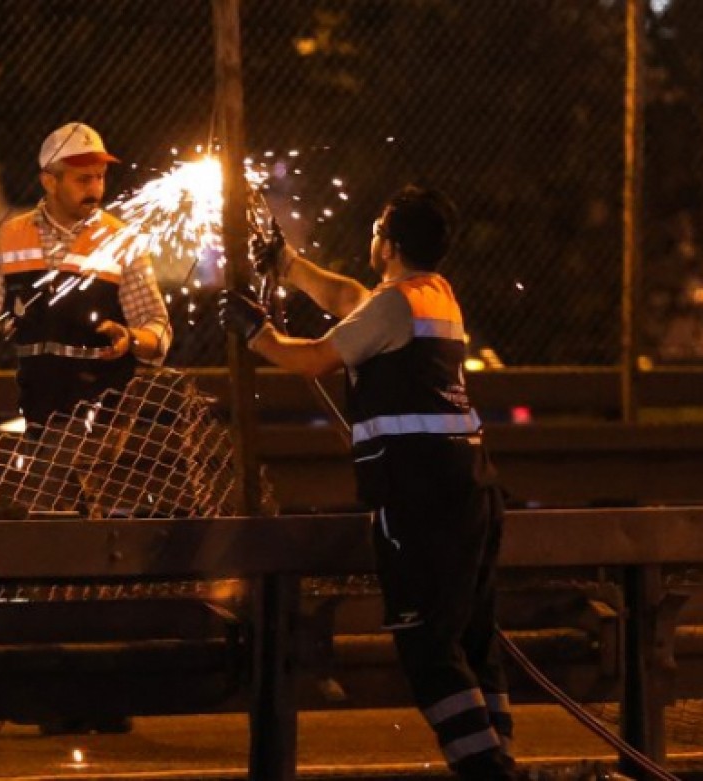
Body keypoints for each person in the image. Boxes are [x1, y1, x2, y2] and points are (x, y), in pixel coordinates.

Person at [220, 185, 515, 781]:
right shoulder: (432, 295)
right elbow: (351, 298)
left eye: (379, 228)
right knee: (473, 643)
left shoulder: (393, 307)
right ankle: (499, 758)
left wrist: (259, 336)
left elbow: (314, 359)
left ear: (392, 243)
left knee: (429, 649)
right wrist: (289, 266)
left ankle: (489, 774)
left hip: (421, 496)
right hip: (471, 488)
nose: (372, 237)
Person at [0, 122, 172, 439]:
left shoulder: (121, 240)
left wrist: (132, 338)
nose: (95, 189)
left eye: (100, 177)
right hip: (41, 423)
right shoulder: (13, 239)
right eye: (83, 179)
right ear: (49, 181)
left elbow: (158, 327)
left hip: (108, 428)